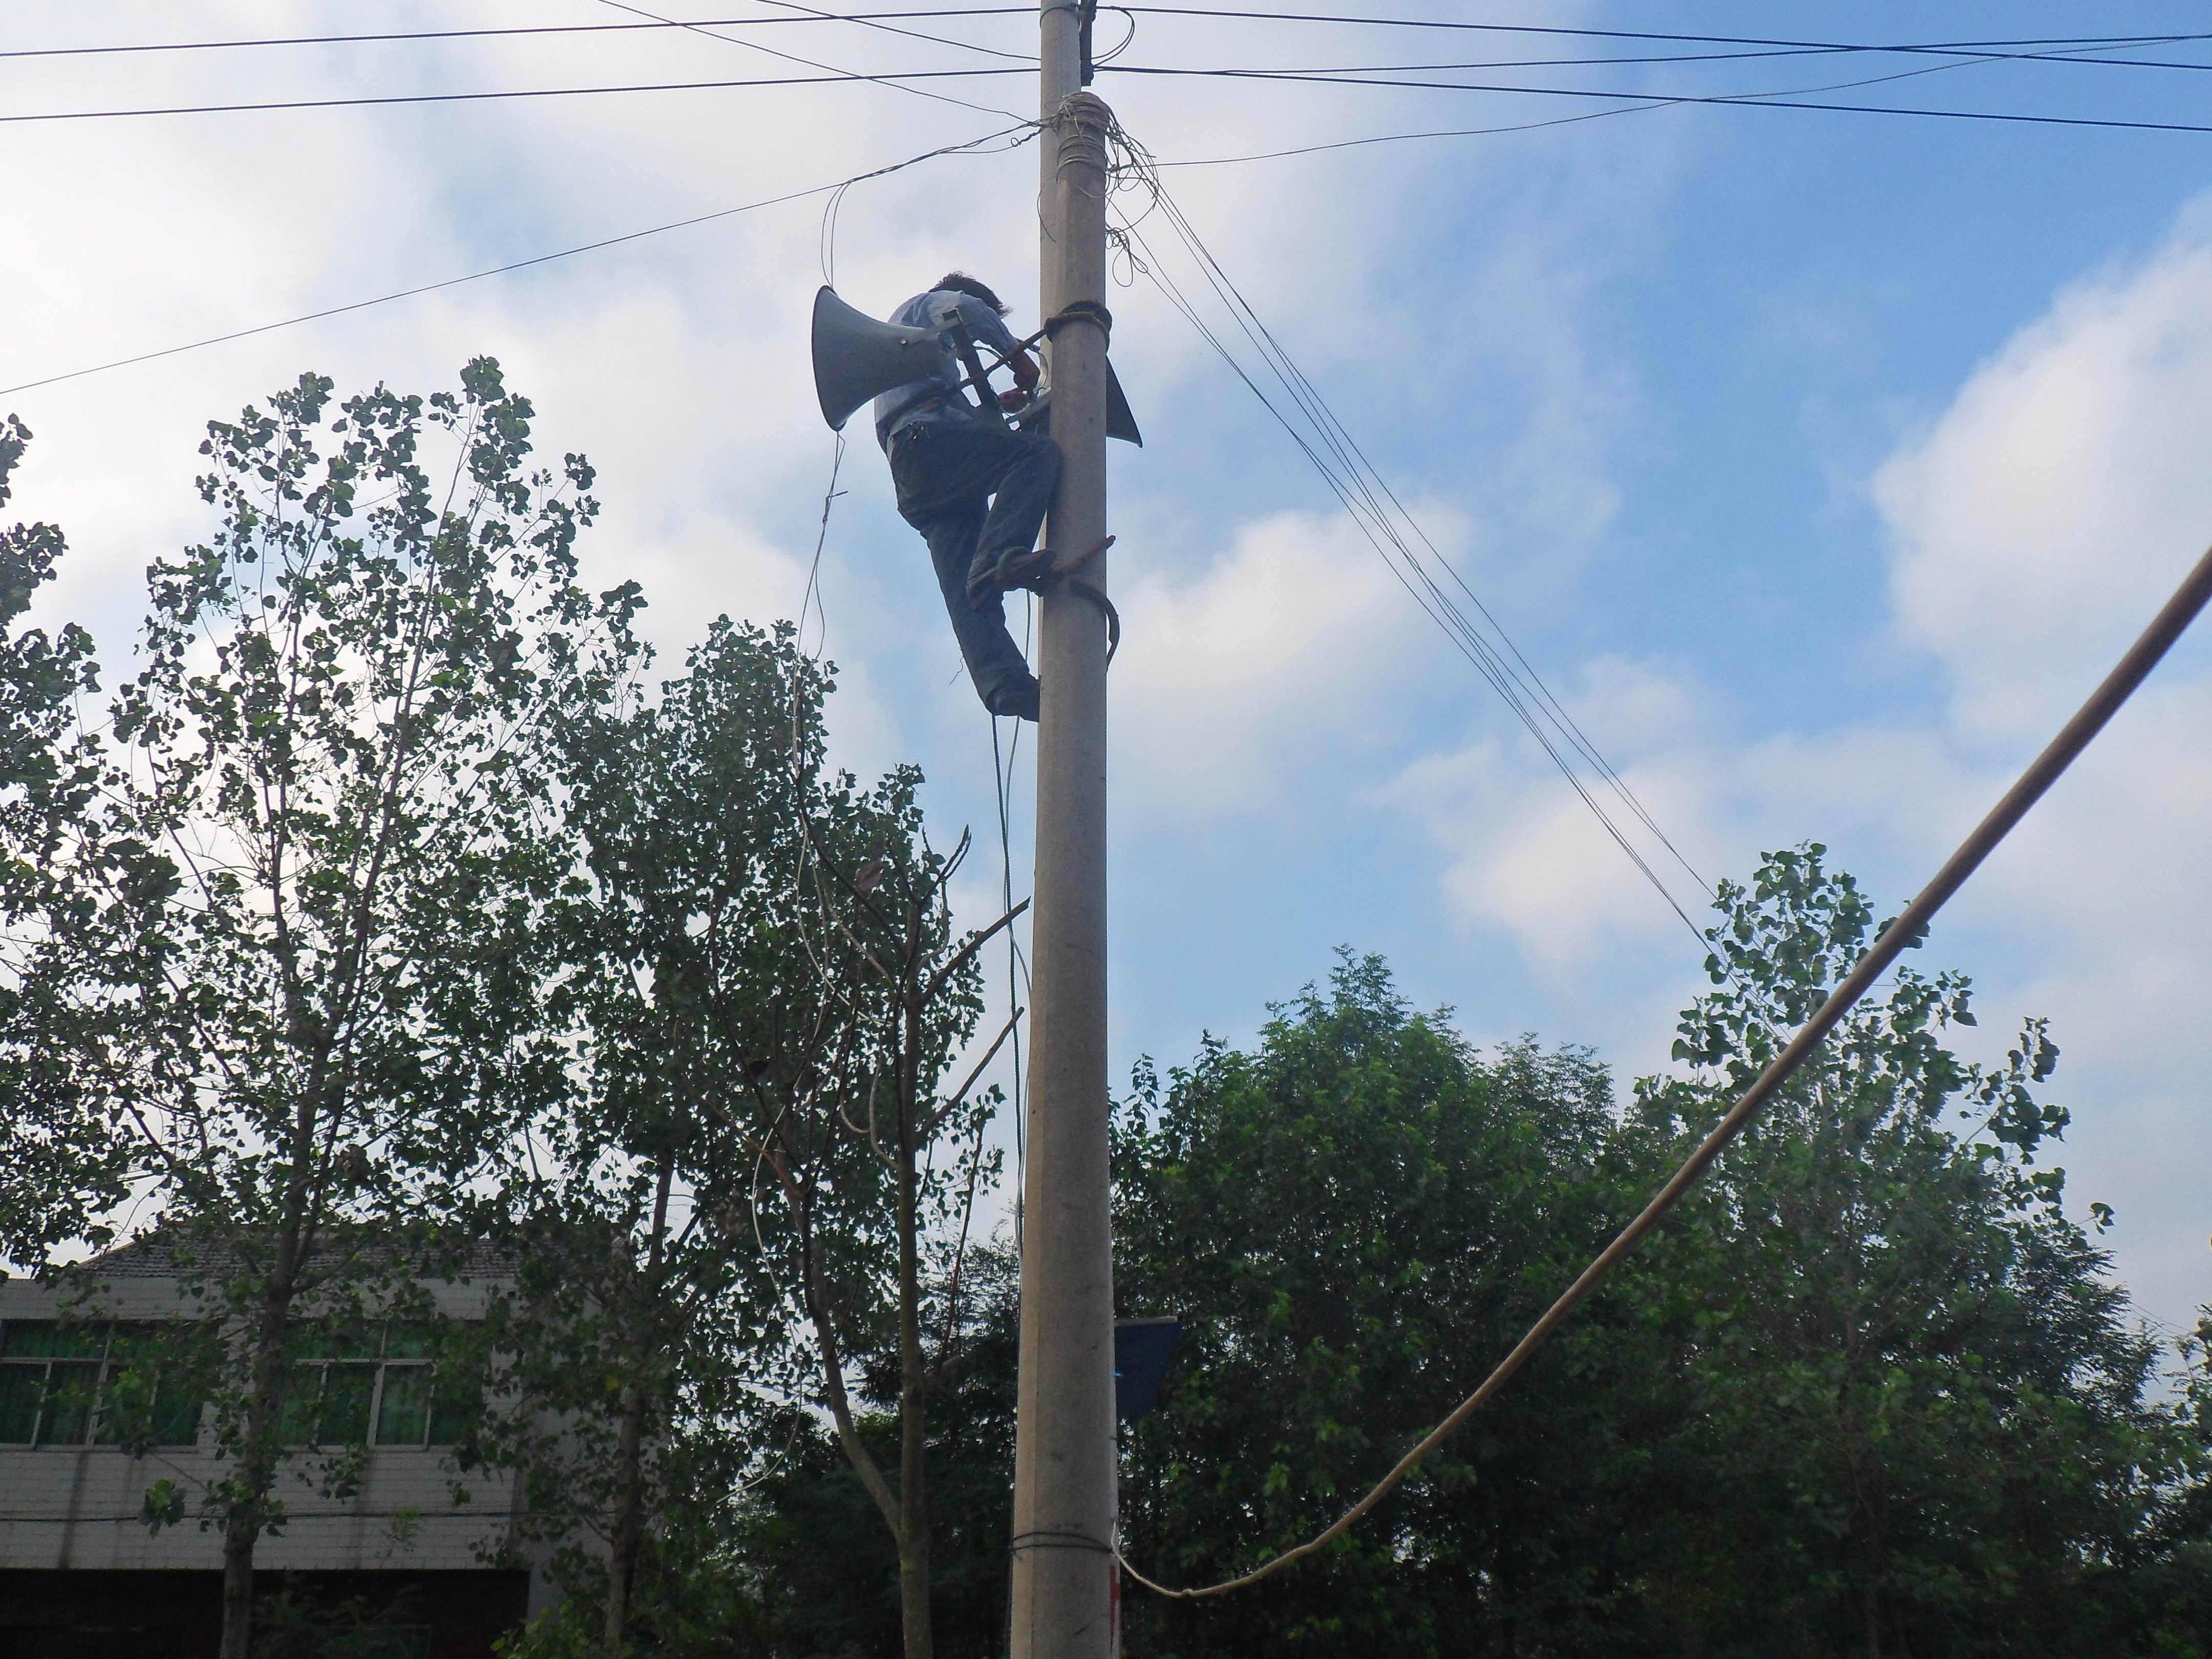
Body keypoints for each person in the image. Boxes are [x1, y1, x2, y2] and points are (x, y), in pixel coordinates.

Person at [874, 272, 1059, 722]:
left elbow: (968, 432)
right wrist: (1021, 361)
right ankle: (1002, 558)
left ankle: (1006, 687)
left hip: (918, 474)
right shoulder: (926, 305)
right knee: (1036, 457)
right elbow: (966, 310)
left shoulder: (920, 361)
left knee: (968, 591)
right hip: (929, 444)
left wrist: (1002, 411)